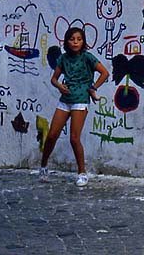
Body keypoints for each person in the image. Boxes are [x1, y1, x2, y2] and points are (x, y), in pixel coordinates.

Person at [39, 27, 109, 187]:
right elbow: (54, 79)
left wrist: (93, 87)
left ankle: (82, 173)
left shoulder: (87, 57)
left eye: (79, 39)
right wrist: (59, 86)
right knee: (51, 135)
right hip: (65, 99)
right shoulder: (63, 59)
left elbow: (104, 73)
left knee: (74, 138)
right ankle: (43, 166)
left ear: (83, 41)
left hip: (80, 100)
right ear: (67, 41)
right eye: (72, 39)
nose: (75, 42)